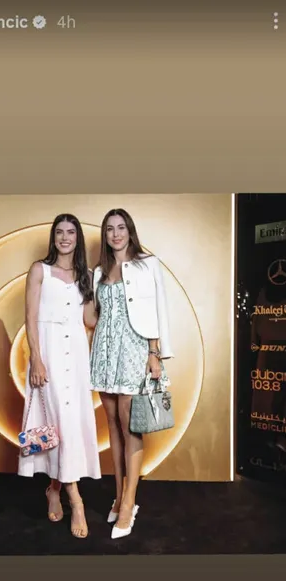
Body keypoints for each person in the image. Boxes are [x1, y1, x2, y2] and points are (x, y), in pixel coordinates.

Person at [90, 208, 174, 539]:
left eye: (121, 227)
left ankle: (128, 503)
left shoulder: (148, 263)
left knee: (130, 426)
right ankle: (118, 496)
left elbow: (158, 309)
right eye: (110, 229)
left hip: (135, 349)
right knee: (112, 425)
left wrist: (155, 353)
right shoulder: (99, 271)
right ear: (105, 234)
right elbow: (93, 316)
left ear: (130, 231)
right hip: (104, 351)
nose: (115, 234)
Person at [18, 213, 101, 538]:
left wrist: (100, 288)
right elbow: (30, 317)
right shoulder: (40, 270)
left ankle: (53, 488)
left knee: (68, 425)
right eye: (59, 232)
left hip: (76, 356)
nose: (65, 237)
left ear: (77, 238)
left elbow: (89, 320)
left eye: (70, 232)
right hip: (48, 354)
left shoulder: (86, 275)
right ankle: (76, 501)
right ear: (53, 238)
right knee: (55, 422)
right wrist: (36, 359)